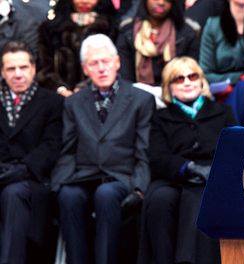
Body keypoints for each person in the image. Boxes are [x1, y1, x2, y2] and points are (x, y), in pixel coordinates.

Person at [51, 34, 155, 264]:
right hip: (83, 175)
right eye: (94, 63)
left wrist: (139, 188)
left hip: (121, 175)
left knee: (105, 194)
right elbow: (67, 149)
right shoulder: (73, 103)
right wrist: (59, 184)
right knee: (68, 196)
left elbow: (144, 149)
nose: (101, 68)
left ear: (117, 62)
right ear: (85, 69)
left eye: (105, 61)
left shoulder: (141, 99)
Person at [137, 56, 236, 264]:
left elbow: (234, 151)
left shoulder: (222, 112)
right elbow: (157, 156)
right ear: (169, 87)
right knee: (160, 199)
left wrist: (212, 171)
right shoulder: (160, 117)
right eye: (178, 79)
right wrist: (187, 167)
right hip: (174, 176)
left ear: (201, 81)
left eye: (192, 76)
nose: (187, 82)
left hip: (212, 175)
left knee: (199, 196)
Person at [0, 41, 63, 263]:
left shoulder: (52, 102)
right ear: (2, 72)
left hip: (34, 180)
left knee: (13, 193)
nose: (18, 74)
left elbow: (52, 146)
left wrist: (21, 169)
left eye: (23, 67)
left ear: (33, 68)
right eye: (10, 69)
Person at [36, 0, 117, 97]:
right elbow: (44, 68)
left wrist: (84, 88)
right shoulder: (50, 29)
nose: (84, 1)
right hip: (59, 98)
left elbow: (116, 64)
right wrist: (61, 89)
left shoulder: (111, 27)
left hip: (103, 94)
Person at [116, 0, 199, 86]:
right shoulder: (128, 32)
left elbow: (191, 73)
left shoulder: (186, 32)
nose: (161, 2)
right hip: (136, 94)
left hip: (177, 92)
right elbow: (125, 76)